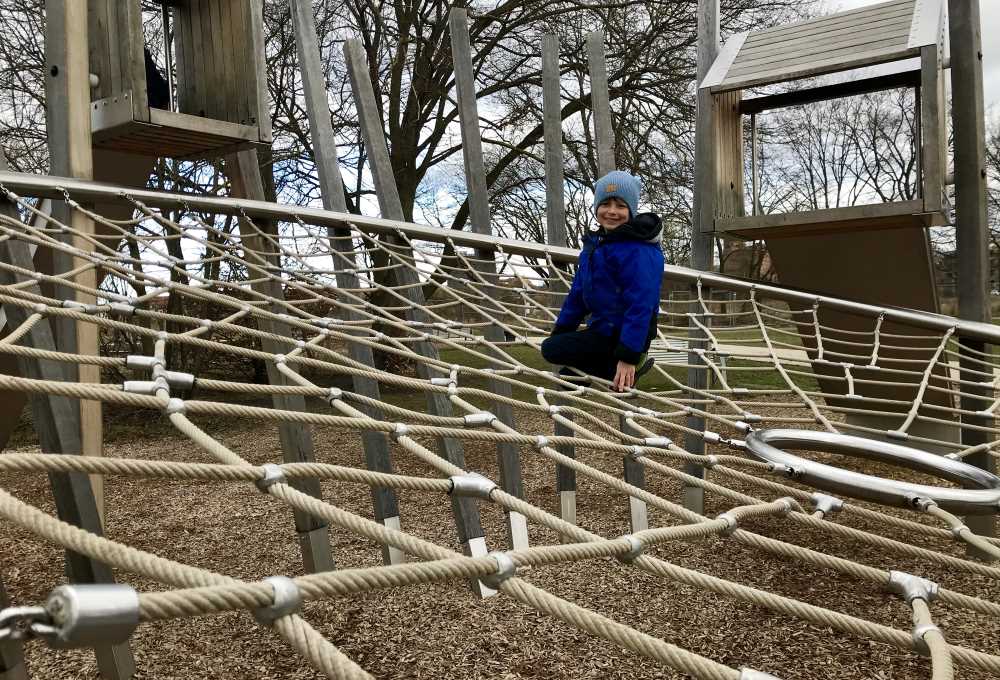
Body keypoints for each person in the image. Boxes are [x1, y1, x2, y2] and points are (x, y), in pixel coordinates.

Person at [541, 170, 663, 392]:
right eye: (606, 204)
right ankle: (610, 368)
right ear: (596, 207)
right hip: (603, 330)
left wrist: (628, 355)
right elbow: (577, 295)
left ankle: (635, 363)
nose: (612, 212)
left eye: (621, 206)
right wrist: (563, 329)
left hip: (627, 334)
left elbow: (642, 304)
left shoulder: (638, 249)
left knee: (550, 349)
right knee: (568, 378)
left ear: (632, 210)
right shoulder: (596, 246)